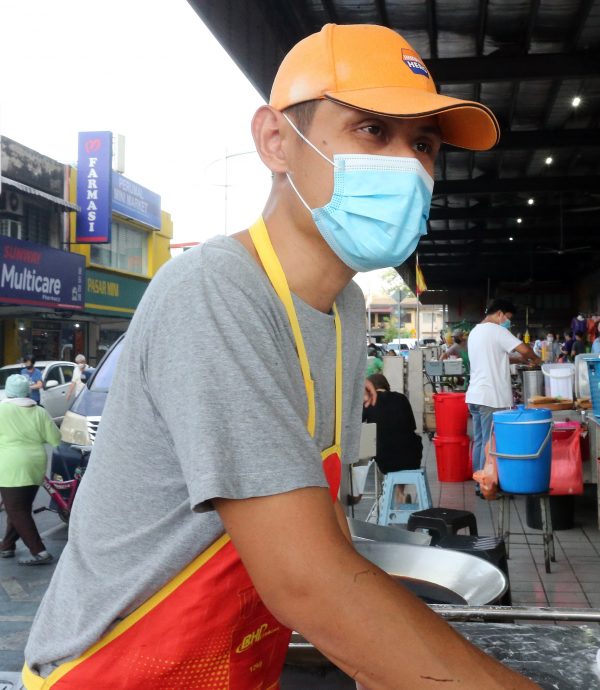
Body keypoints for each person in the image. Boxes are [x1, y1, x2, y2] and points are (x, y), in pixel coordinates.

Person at [23, 23, 538, 690]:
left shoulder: (347, 309)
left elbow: (319, 529)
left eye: (424, 145)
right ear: (275, 141)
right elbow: (306, 581)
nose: (408, 165)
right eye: (372, 131)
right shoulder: (215, 290)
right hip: (117, 673)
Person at [466, 299, 541, 498]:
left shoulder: (475, 332)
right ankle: (486, 486)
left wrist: (518, 359)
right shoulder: (497, 330)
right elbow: (524, 349)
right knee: (490, 443)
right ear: (500, 314)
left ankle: (479, 483)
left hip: (475, 395)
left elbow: (496, 356)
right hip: (491, 397)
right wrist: (536, 359)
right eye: (507, 318)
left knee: (480, 441)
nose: (507, 322)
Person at [0, 375, 61, 565]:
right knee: (20, 508)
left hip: (11, 465)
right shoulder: (39, 411)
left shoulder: (2, 410)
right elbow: (55, 439)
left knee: (17, 509)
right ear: (28, 391)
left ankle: (39, 552)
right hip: (36, 464)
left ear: (8, 391)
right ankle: (7, 546)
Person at [362, 373, 422, 474]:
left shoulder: (369, 403)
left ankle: (387, 485)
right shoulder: (402, 398)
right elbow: (412, 426)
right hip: (411, 460)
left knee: (376, 444)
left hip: (385, 462)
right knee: (408, 441)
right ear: (386, 385)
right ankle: (400, 489)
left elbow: (358, 424)